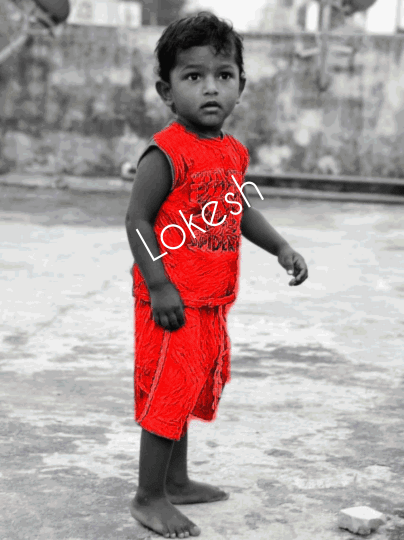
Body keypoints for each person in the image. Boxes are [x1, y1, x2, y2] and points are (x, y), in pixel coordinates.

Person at [125, 11, 308, 539]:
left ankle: (175, 481)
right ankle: (148, 496)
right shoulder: (166, 153)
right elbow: (137, 220)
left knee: (184, 391)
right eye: (193, 76)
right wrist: (159, 284)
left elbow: (239, 210)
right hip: (170, 301)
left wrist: (280, 246)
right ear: (166, 90)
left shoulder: (231, 152)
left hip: (208, 300)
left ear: (240, 86)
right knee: (167, 395)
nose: (211, 88)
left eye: (223, 75)